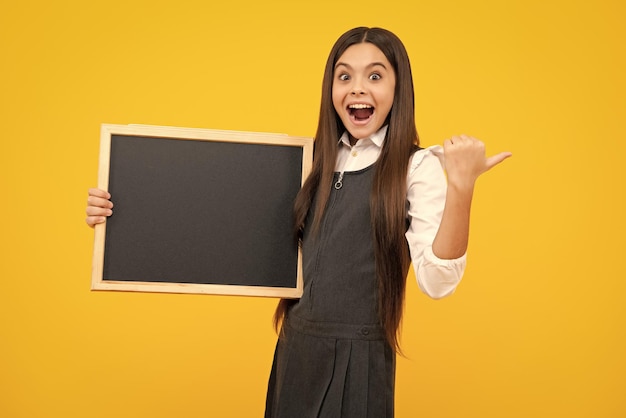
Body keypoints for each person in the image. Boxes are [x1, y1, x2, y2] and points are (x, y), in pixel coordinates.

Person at [86, 26, 511, 418]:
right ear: (330, 89)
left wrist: (462, 188)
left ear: (399, 87)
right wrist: (121, 214)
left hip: (359, 362)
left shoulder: (416, 167)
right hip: (295, 353)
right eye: (344, 77)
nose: (357, 88)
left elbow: (438, 283)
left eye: (375, 76)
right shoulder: (308, 162)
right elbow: (211, 217)